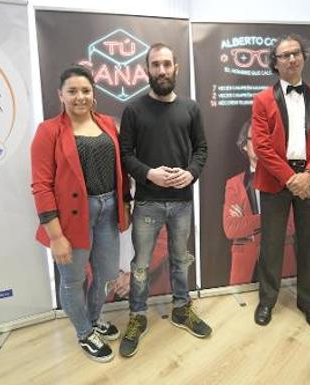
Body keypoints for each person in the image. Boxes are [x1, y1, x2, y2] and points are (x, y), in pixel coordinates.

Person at [30, 65, 130, 362]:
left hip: (108, 208)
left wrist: (124, 202)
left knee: (108, 273)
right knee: (72, 280)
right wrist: (55, 235)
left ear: (93, 94)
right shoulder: (48, 131)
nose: (79, 97)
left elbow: (120, 168)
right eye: (72, 91)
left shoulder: (108, 124)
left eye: (85, 90)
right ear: (60, 95)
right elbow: (41, 185)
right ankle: (84, 332)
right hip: (71, 217)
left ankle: (95, 317)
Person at [118, 42, 210, 358]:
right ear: (146, 69)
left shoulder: (191, 108)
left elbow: (201, 149)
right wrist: (149, 175)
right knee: (141, 265)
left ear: (176, 68)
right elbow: (125, 155)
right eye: (155, 64)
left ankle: (182, 309)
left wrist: (192, 173)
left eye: (166, 64)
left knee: (180, 259)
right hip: (147, 202)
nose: (161, 70)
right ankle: (138, 315)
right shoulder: (133, 110)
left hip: (183, 201)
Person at [251, 34, 310, 332]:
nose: (290, 59)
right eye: (283, 55)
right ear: (275, 63)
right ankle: (267, 300)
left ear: (303, 56)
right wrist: (290, 178)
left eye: (295, 53)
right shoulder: (262, 99)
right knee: (271, 244)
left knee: (308, 244)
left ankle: (309, 303)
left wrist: (309, 175)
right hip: (276, 180)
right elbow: (261, 145)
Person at [223, 120, 297, 285]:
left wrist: (247, 221)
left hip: (281, 256)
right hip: (245, 261)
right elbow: (230, 228)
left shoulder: (286, 178)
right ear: (244, 145)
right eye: (254, 139)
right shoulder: (233, 184)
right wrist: (268, 218)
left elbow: (290, 225)